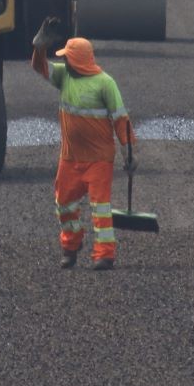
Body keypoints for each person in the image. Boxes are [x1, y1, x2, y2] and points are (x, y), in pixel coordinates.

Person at [30, 18, 133, 271]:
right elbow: (40, 67)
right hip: (70, 158)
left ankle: (104, 254)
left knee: (100, 208)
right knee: (64, 204)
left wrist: (128, 152)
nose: (63, 61)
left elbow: (121, 119)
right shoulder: (64, 76)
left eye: (67, 57)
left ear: (78, 60)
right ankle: (70, 246)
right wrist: (38, 47)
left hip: (99, 159)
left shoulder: (105, 83)